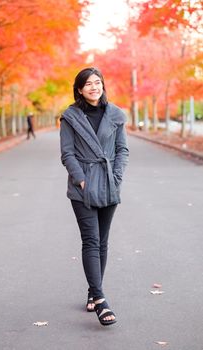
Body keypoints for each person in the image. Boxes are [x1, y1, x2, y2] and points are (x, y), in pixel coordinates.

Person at [60, 67, 129, 326]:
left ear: (103, 86)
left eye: (97, 82)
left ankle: (92, 290)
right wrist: (81, 180)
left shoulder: (115, 115)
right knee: (91, 241)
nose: (93, 87)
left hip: (109, 184)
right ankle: (100, 299)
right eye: (88, 84)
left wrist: (117, 177)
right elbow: (67, 153)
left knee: (102, 241)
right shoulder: (71, 117)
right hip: (83, 187)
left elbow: (122, 150)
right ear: (79, 89)